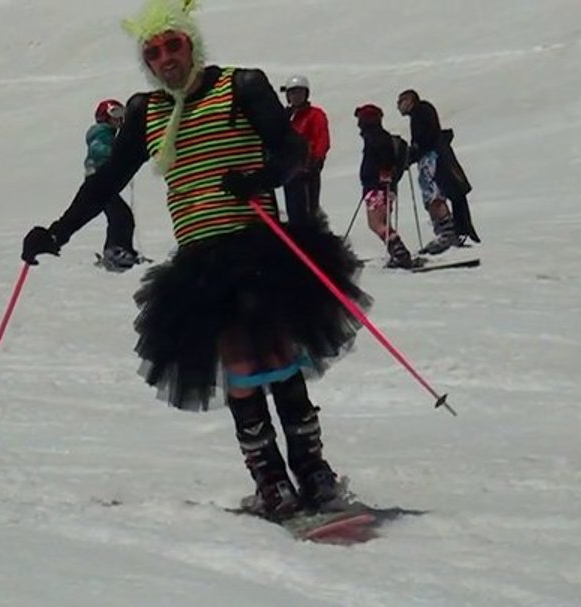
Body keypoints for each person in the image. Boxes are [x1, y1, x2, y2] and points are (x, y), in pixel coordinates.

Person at [20, 0, 371, 520]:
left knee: (279, 360)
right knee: (241, 369)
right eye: (154, 52)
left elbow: (292, 152)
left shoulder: (241, 85)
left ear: (192, 45)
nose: (166, 59)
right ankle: (271, 480)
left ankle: (314, 474)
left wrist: (258, 180)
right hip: (201, 262)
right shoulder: (146, 112)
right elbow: (108, 180)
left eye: (173, 45)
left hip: (259, 247)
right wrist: (58, 231)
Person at [397, 88, 479, 255]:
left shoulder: (420, 112)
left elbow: (424, 140)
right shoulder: (423, 112)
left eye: (401, 102)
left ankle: (447, 233)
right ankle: (453, 230)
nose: (398, 106)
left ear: (410, 100)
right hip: (435, 156)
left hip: (432, 159)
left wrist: (412, 153)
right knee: (438, 194)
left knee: (433, 195)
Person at [355, 103, 419, 269]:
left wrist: (382, 178)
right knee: (382, 222)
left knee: (375, 223)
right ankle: (397, 251)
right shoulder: (379, 136)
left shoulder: (375, 138)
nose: (358, 124)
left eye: (361, 120)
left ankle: (399, 252)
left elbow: (384, 160)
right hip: (383, 186)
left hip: (377, 187)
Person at [86, 98, 141, 271]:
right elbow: (97, 149)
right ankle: (114, 251)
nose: (119, 119)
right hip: (98, 183)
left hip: (102, 182)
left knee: (122, 215)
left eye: (121, 115)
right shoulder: (100, 132)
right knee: (120, 216)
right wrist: (118, 153)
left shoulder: (110, 134)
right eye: (114, 114)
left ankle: (124, 250)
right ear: (104, 117)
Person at [279, 75, 330, 227]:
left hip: (307, 170)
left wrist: (316, 159)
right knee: (293, 210)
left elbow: (322, 138)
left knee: (308, 210)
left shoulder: (315, 115)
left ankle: (312, 238)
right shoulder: (285, 117)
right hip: (289, 171)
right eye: (293, 93)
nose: (296, 97)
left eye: (299, 93)